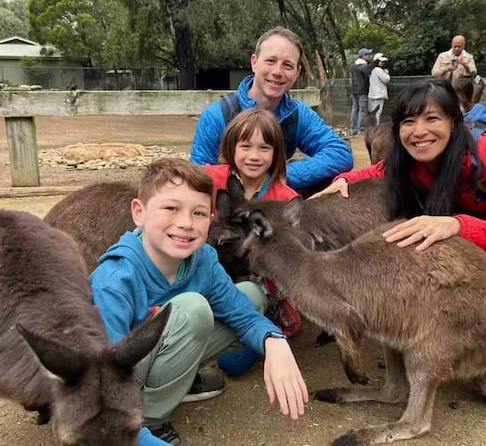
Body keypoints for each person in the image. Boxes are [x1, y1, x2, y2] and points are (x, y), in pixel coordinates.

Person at [310, 78, 486, 375]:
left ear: (454, 121)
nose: (419, 131)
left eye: (432, 119)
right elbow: (378, 171)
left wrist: (457, 225)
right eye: (409, 121)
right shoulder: (411, 160)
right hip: (467, 237)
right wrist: (344, 181)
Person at [89, 158, 308, 446]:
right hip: (119, 381)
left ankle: (178, 380)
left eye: (199, 213)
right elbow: (102, 385)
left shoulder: (202, 258)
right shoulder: (115, 280)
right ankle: (152, 421)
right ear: (139, 213)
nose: (186, 224)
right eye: (171, 209)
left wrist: (274, 340)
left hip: (159, 351)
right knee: (193, 308)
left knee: (251, 297)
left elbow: (242, 315)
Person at [190, 26, 353, 192]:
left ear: (297, 73)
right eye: (270, 61)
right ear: (254, 62)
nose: (277, 72)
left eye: (287, 65)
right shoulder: (218, 115)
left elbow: (340, 153)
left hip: (274, 205)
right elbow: (198, 177)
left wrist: (278, 178)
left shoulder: (297, 115)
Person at [204, 108, 303, 375]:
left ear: (276, 153)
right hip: (210, 271)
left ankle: (263, 316)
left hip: (254, 280)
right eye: (245, 146)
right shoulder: (210, 179)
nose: (254, 156)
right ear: (231, 148)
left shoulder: (282, 196)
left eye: (264, 148)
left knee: (231, 364)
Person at [349, 47, 373, 136]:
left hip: (354, 90)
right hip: (362, 90)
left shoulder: (354, 67)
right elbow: (367, 79)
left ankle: (352, 128)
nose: (369, 57)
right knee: (362, 110)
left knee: (354, 108)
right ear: (363, 56)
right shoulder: (364, 67)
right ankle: (360, 128)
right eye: (368, 55)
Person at [368, 54, 390, 124]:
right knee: (377, 113)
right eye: (381, 61)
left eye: (383, 62)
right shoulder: (378, 70)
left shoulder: (371, 70)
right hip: (378, 95)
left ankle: (372, 128)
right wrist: (386, 73)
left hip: (372, 94)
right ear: (377, 61)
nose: (382, 63)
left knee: (373, 113)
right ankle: (375, 129)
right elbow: (386, 79)